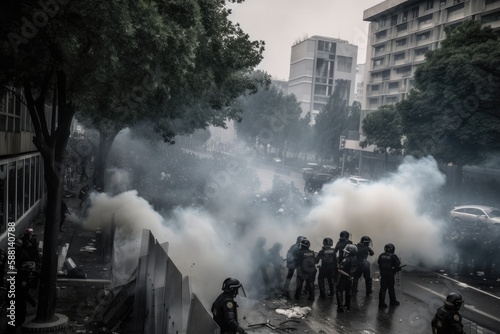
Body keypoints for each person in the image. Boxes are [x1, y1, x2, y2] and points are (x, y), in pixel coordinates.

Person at [377, 243, 402, 308]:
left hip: (383, 274)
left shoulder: (381, 255)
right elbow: (397, 264)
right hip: (390, 274)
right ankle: (393, 301)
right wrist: (396, 268)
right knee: (391, 288)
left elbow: (379, 263)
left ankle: (381, 303)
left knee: (383, 288)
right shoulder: (393, 256)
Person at [336, 244, 359, 313]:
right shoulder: (355, 259)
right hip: (351, 277)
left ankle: (340, 308)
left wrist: (347, 274)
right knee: (348, 291)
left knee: (339, 291)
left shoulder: (346, 259)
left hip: (344, 277)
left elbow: (339, 269)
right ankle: (347, 306)